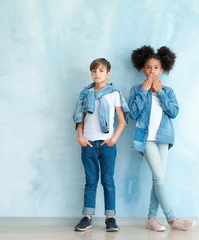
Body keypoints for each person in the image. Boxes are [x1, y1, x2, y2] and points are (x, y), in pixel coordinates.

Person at [128, 46, 196, 231]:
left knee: (159, 179)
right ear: (143, 69)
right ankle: (172, 219)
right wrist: (144, 90)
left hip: (164, 139)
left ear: (162, 69)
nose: (152, 71)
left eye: (156, 67)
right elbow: (132, 114)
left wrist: (160, 92)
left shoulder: (168, 91)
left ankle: (151, 218)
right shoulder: (137, 89)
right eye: (148, 67)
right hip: (146, 139)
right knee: (159, 178)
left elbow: (173, 112)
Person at [72, 58, 129, 232]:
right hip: (88, 143)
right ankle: (87, 217)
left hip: (107, 145)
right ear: (91, 73)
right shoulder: (85, 93)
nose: (97, 74)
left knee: (108, 181)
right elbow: (80, 117)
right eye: (94, 71)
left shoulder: (114, 94)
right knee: (90, 181)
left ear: (108, 74)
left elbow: (122, 120)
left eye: (101, 71)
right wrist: (80, 138)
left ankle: (110, 218)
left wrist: (113, 140)